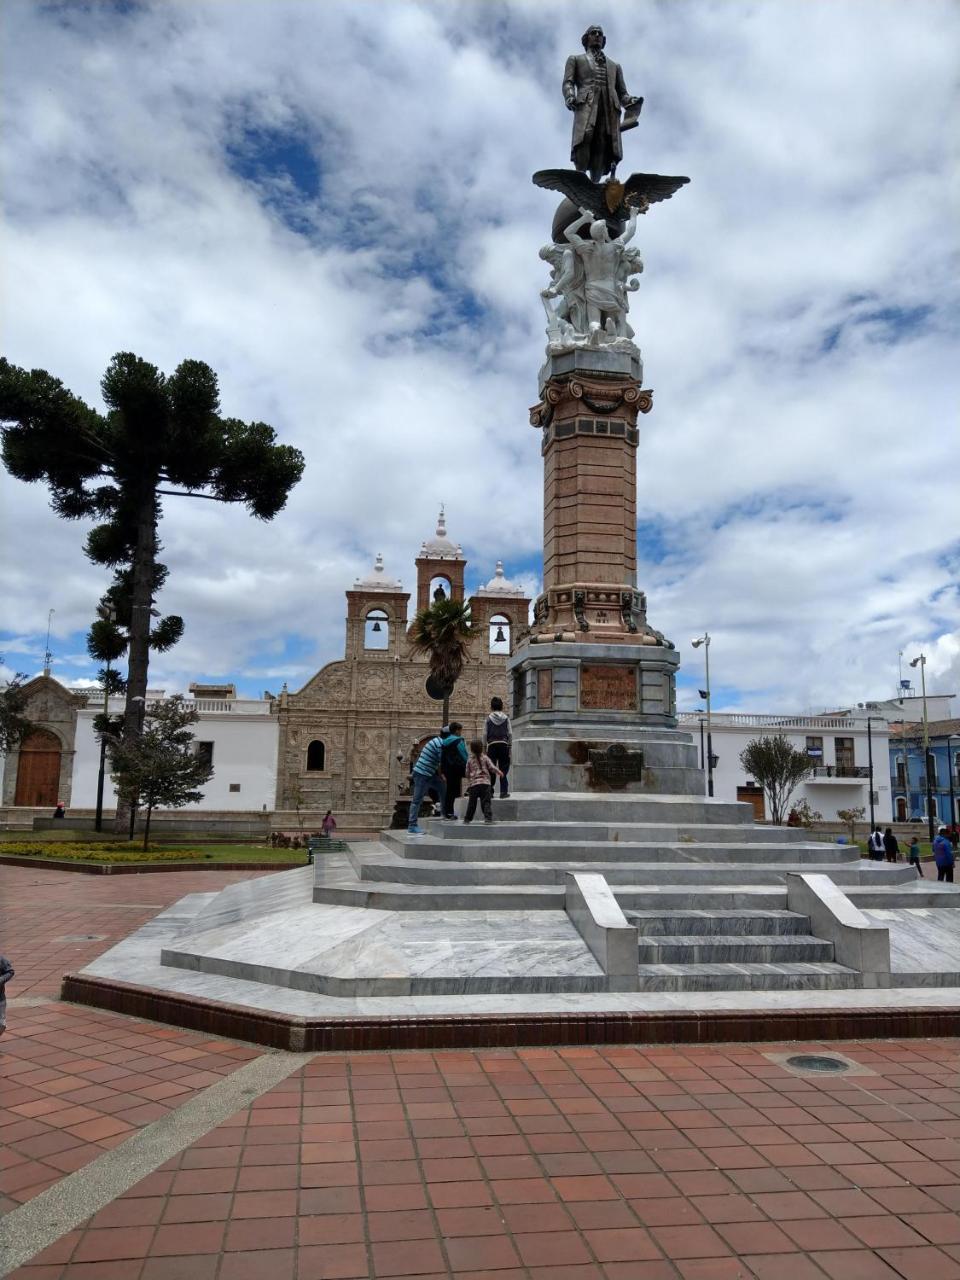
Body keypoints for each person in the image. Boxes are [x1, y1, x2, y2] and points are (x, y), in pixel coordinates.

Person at [563, 25, 641, 182]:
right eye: (593, 33)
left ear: (603, 40)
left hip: (608, 108)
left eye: (600, 34)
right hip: (586, 104)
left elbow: (622, 93)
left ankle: (594, 183)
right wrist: (570, 96)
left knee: (602, 143)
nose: (597, 35)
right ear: (587, 38)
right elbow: (568, 83)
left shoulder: (615, 66)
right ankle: (580, 178)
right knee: (585, 137)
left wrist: (631, 101)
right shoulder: (575, 59)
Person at [407, 733, 446, 836]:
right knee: (417, 800)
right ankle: (412, 825)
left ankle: (445, 813)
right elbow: (441, 762)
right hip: (422, 774)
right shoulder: (439, 744)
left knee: (443, 789)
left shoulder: (437, 741)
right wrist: (442, 775)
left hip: (429, 773)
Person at [463, 739, 503, 825]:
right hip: (485, 784)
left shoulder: (469, 760)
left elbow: (466, 772)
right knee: (486, 802)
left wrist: (470, 779)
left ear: (471, 749)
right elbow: (492, 767)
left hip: (474, 785)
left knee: (472, 803)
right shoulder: (485, 757)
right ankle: (488, 819)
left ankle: (467, 819)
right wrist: (499, 772)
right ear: (482, 748)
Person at [485, 697, 512, 799]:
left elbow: (484, 733)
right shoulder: (506, 718)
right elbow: (510, 733)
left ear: (491, 706)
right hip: (504, 744)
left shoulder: (488, 718)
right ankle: (503, 792)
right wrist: (509, 746)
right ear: (502, 706)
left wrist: (484, 747)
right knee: (503, 768)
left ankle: (490, 791)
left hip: (492, 745)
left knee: (491, 768)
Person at [440, 722, 469, 819]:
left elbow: (442, 757)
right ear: (457, 730)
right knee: (456, 790)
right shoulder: (458, 740)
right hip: (457, 768)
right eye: (460, 730)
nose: (461, 732)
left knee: (449, 790)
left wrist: (443, 770)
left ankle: (448, 812)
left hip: (448, 769)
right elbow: (463, 754)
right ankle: (454, 812)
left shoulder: (444, 742)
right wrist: (468, 763)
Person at [0, 955, 13, 1038]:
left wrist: (1, 979)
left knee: (2, 1024)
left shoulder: (1, 959)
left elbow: (10, 972)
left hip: (0, 998)